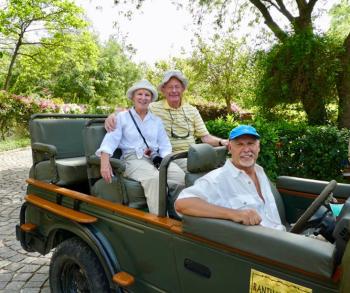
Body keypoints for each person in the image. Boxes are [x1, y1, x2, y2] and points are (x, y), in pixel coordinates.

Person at [104, 70, 229, 172]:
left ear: (183, 89)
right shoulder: (153, 107)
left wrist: (223, 142)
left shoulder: (192, 110)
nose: (174, 90)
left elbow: (205, 138)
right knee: (206, 174)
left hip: (194, 155)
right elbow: (133, 111)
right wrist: (113, 114)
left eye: (177, 87)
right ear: (163, 90)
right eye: (170, 87)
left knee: (223, 170)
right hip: (172, 157)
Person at [96, 79, 184, 215]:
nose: (143, 98)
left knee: (180, 176)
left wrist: (163, 160)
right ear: (132, 97)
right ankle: (160, 222)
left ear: (151, 99)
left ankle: (178, 215)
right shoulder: (121, 118)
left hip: (155, 158)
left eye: (147, 95)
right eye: (140, 94)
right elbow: (110, 140)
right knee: (155, 179)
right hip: (133, 159)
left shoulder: (156, 121)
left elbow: (165, 145)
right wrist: (104, 161)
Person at [175, 125, 285, 231]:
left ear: (258, 147)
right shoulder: (217, 179)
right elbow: (182, 203)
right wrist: (234, 214)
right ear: (230, 148)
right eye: (240, 144)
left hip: (283, 236)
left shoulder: (259, 171)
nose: (246, 149)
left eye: (250, 143)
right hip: (259, 246)